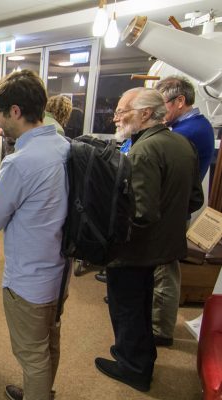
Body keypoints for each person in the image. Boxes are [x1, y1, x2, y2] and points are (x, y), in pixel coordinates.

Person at [95, 87, 203, 392]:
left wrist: (107, 236)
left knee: (127, 306)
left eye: (121, 111)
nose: (115, 118)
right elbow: (195, 199)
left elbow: (140, 213)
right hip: (165, 244)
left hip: (136, 249)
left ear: (144, 114)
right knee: (142, 306)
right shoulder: (182, 144)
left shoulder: (142, 150)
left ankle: (132, 367)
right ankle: (139, 356)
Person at [0, 70, 69, 400]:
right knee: (49, 342)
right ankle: (41, 391)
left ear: (14, 111)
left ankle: (37, 392)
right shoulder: (63, 145)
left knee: (32, 355)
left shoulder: (20, 161)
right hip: (59, 271)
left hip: (28, 277)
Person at [151, 75, 215, 346]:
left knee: (165, 272)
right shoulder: (193, 126)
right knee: (162, 270)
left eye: (161, 104)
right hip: (174, 209)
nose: (159, 112)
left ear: (180, 101)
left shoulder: (188, 132)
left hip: (172, 212)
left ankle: (161, 330)